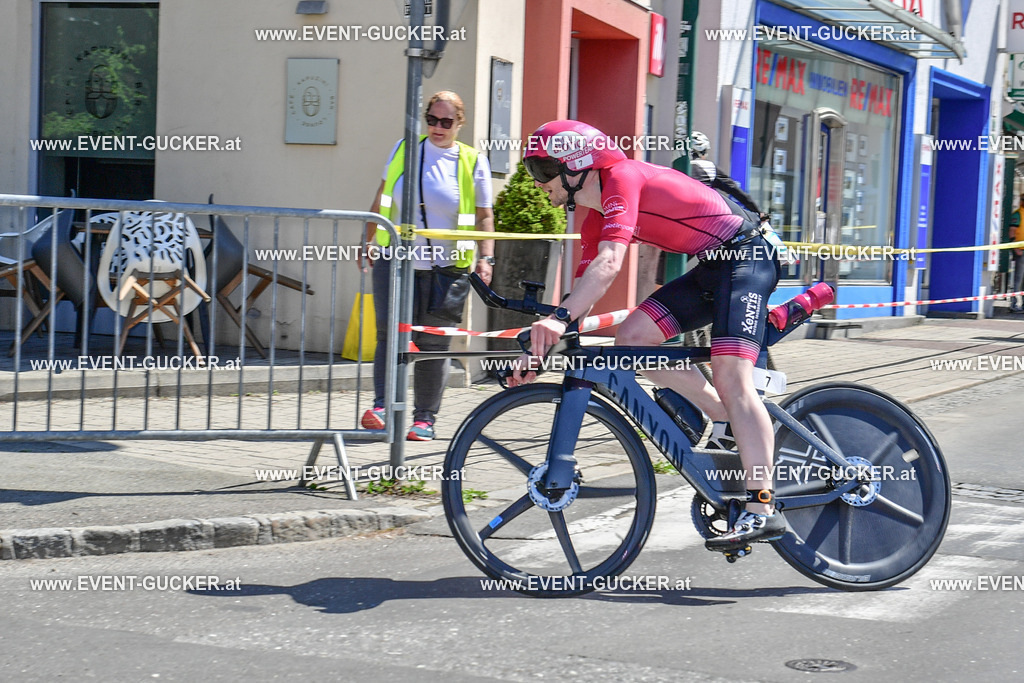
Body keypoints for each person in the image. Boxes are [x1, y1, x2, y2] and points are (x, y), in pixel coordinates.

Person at [511, 120, 783, 549]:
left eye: (543, 171)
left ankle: (761, 508)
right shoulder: (593, 216)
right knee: (633, 339)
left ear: (577, 165)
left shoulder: (621, 179)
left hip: (748, 257)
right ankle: (724, 418)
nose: (538, 182)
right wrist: (543, 347)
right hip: (714, 267)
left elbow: (610, 263)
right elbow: (584, 291)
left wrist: (557, 320)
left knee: (732, 375)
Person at [361, 91, 495, 441]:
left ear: (459, 124)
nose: (438, 127)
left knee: (432, 345)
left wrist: (486, 256)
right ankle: (382, 407)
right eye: (432, 120)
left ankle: (424, 419)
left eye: (446, 122)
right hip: (396, 262)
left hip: (446, 269)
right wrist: (369, 239)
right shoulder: (403, 149)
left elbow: (484, 216)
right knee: (390, 337)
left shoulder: (471, 161)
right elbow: (382, 197)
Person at [1010, 196, 1024, 312]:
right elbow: (1012, 231)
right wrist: (1015, 248)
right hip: (1021, 251)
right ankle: (1014, 304)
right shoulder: (1018, 214)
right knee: (1018, 279)